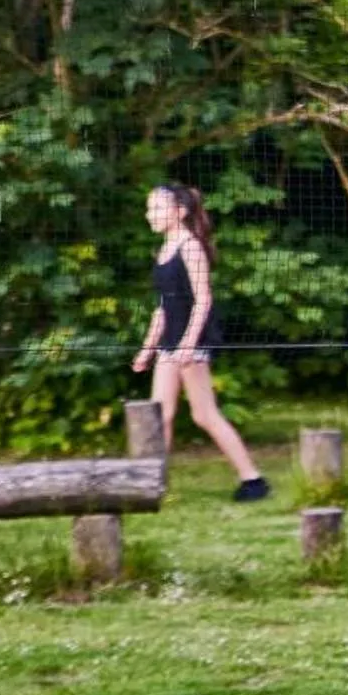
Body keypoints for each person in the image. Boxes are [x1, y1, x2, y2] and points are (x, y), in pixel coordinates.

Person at [132, 183, 269, 501]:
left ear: (179, 212)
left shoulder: (190, 247)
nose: (150, 215)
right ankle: (155, 485)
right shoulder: (164, 249)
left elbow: (203, 299)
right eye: (149, 208)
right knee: (160, 415)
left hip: (191, 344)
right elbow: (163, 307)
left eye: (157, 208)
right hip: (170, 344)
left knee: (204, 415)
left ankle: (253, 480)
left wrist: (189, 345)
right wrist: (147, 348)